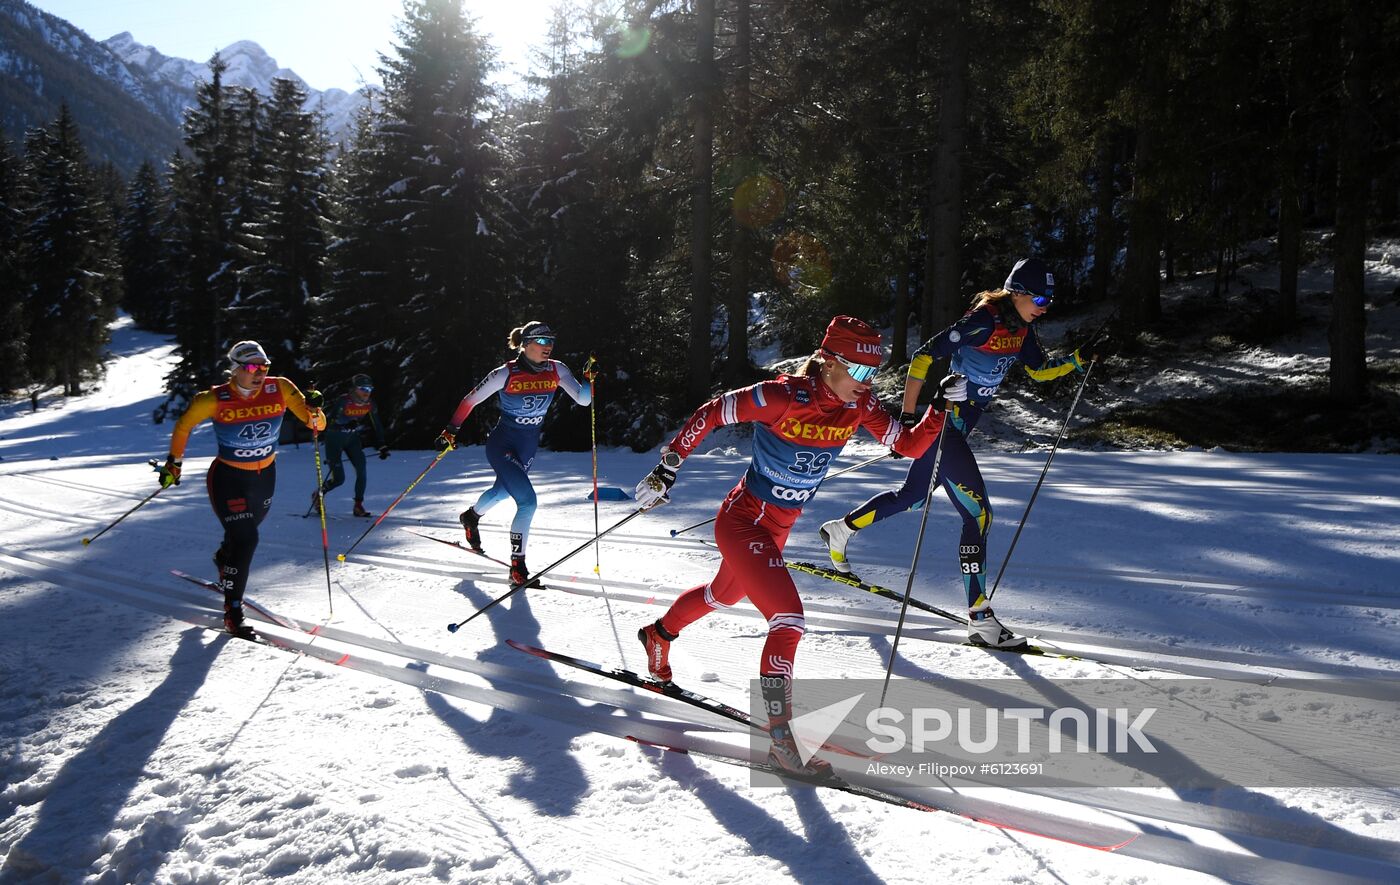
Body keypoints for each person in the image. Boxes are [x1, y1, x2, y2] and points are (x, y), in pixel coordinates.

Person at [632, 315, 966, 777]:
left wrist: (940, 408)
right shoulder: (782, 396)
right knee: (788, 619)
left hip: (777, 528)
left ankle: (657, 635)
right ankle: (781, 742)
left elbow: (908, 446)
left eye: (874, 372)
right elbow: (712, 412)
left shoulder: (860, 404)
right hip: (744, 521)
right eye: (860, 371)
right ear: (829, 362)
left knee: (721, 595)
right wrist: (667, 467)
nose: (867, 384)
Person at [818, 258, 1099, 650]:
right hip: (943, 426)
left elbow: (1040, 371)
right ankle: (980, 619)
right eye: (1038, 296)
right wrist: (909, 418)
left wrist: (1077, 361)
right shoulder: (985, 320)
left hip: (958, 429)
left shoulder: (1023, 330)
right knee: (978, 514)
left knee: (913, 498)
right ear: (1015, 291)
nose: (1044, 305)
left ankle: (842, 529)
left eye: (1049, 299)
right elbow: (924, 356)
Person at [159, 340, 326, 638]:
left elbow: (318, 425)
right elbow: (184, 426)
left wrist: (314, 409)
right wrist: (174, 463)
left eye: (264, 366)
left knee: (242, 536)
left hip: (264, 476)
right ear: (235, 369)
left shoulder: (281, 388)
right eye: (251, 367)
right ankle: (233, 612)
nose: (259, 372)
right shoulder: (213, 399)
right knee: (247, 538)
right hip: (228, 478)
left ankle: (224, 558)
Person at [435, 321, 595, 587]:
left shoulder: (558, 369)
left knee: (502, 492)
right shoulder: (504, 373)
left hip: (528, 446)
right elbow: (470, 400)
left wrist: (588, 380)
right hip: (503, 444)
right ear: (526, 344)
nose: (548, 346)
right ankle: (517, 566)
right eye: (542, 341)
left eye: (551, 341)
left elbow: (583, 400)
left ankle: (471, 517)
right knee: (528, 502)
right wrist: (451, 430)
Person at [311, 373, 389, 518]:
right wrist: (344, 424)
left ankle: (358, 506)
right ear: (354, 389)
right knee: (339, 479)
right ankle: (318, 494)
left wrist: (382, 445)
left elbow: (377, 424)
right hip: (334, 439)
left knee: (362, 470)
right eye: (363, 388)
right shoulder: (344, 401)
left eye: (370, 388)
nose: (367, 392)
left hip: (352, 439)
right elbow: (331, 421)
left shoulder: (370, 404)